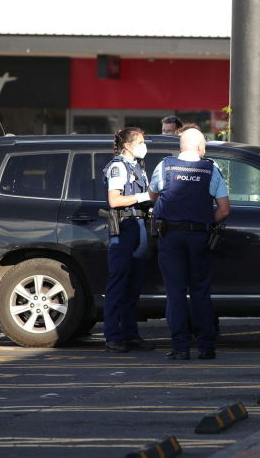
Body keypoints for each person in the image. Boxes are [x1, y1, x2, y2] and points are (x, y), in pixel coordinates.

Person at [148, 127, 230, 360]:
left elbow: (153, 196)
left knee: (175, 293)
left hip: (171, 236)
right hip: (199, 237)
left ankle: (181, 348)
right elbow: (224, 210)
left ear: (180, 147)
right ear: (201, 147)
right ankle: (206, 347)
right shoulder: (211, 168)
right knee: (200, 292)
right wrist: (203, 222)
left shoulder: (164, 166)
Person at [102, 127, 157, 353]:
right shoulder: (118, 166)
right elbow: (114, 201)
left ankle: (131, 335)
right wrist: (146, 196)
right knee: (119, 284)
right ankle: (113, 336)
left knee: (134, 286)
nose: (144, 146)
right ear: (127, 145)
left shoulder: (138, 167)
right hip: (124, 228)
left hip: (140, 225)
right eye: (140, 142)